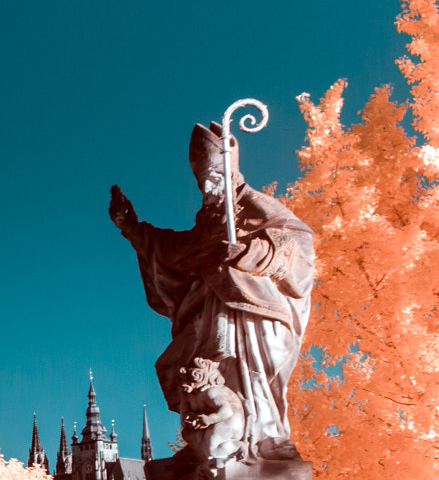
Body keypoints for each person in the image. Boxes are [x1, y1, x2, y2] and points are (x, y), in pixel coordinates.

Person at [109, 122, 315, 461]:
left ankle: (264, 437)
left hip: (249, 311)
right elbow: (176, 249)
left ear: (232, 174)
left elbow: (296, 243)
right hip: (210, 311)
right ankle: (214, 442)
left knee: (247, 369)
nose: (207, 187)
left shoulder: (254, 206)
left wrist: (249, 254)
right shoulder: (210, 220)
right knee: (208, 367)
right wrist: (133, 228)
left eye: (215, 180)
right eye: (203, 182)